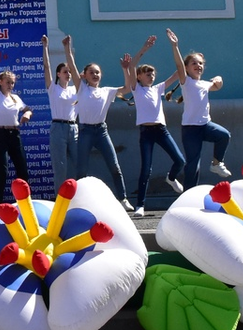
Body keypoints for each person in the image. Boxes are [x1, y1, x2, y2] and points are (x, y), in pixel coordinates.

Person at [125, 36, 184, 217]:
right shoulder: (137, 89)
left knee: (180, 160)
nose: (151, 76)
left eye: (153, 73)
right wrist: (144, 48)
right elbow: (132, 66)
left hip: (161, 130)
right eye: (147, 73)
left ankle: (171, 178)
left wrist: (175, 47)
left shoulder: (158, 88)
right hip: (146, 132)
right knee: (146, 169)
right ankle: (140, 205)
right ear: (139, 77)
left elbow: (178, 72)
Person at [167, 28, 232, 187]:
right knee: (193, 164)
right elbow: (178, 64)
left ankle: (216, 163)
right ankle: (188, 194)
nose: (198, 65)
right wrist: (175, 46)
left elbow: (217, 86)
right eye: (194, 63)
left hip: (205, 125)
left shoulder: (205, 84)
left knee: (224, 135)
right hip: (190, 129)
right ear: (187, 68)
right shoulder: (186, 82)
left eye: (200, 63)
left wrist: (219, 79)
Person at [73, 43, 132, 210]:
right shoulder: (81, 89)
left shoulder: (107, 91)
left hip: (101, 131)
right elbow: (71, 66)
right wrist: (68, 50)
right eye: (91, 72)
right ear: (84, 75)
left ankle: (123, 198)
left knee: (114, 165)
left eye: (97, 72)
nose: (95, 74)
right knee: (81, 169)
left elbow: (127, 88)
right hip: (85, 131)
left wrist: (126, 69)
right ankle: (77, 202)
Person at [0, 42, 32, 204]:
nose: (10, 85)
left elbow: (27, 108)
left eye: (12, 82)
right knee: (2, 172)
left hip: (15, 135)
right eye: (7, 82)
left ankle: (25, 205)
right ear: (1, 82)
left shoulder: (16, 98)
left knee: (22, 172)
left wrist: (27, 113)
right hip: (1, 135)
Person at [41, 34, 79, 190]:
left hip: (73, 128)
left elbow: (75, 70)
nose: (68, 74)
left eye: (69, 72)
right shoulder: (53, 88)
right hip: (58, 128)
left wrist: (67, 49)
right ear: (58, 74)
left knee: (77, 165)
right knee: (60, 167)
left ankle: (77, 200)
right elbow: (46, 66)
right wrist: (45, 47)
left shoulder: (75, 89)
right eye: (65, 71)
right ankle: (60, 202)